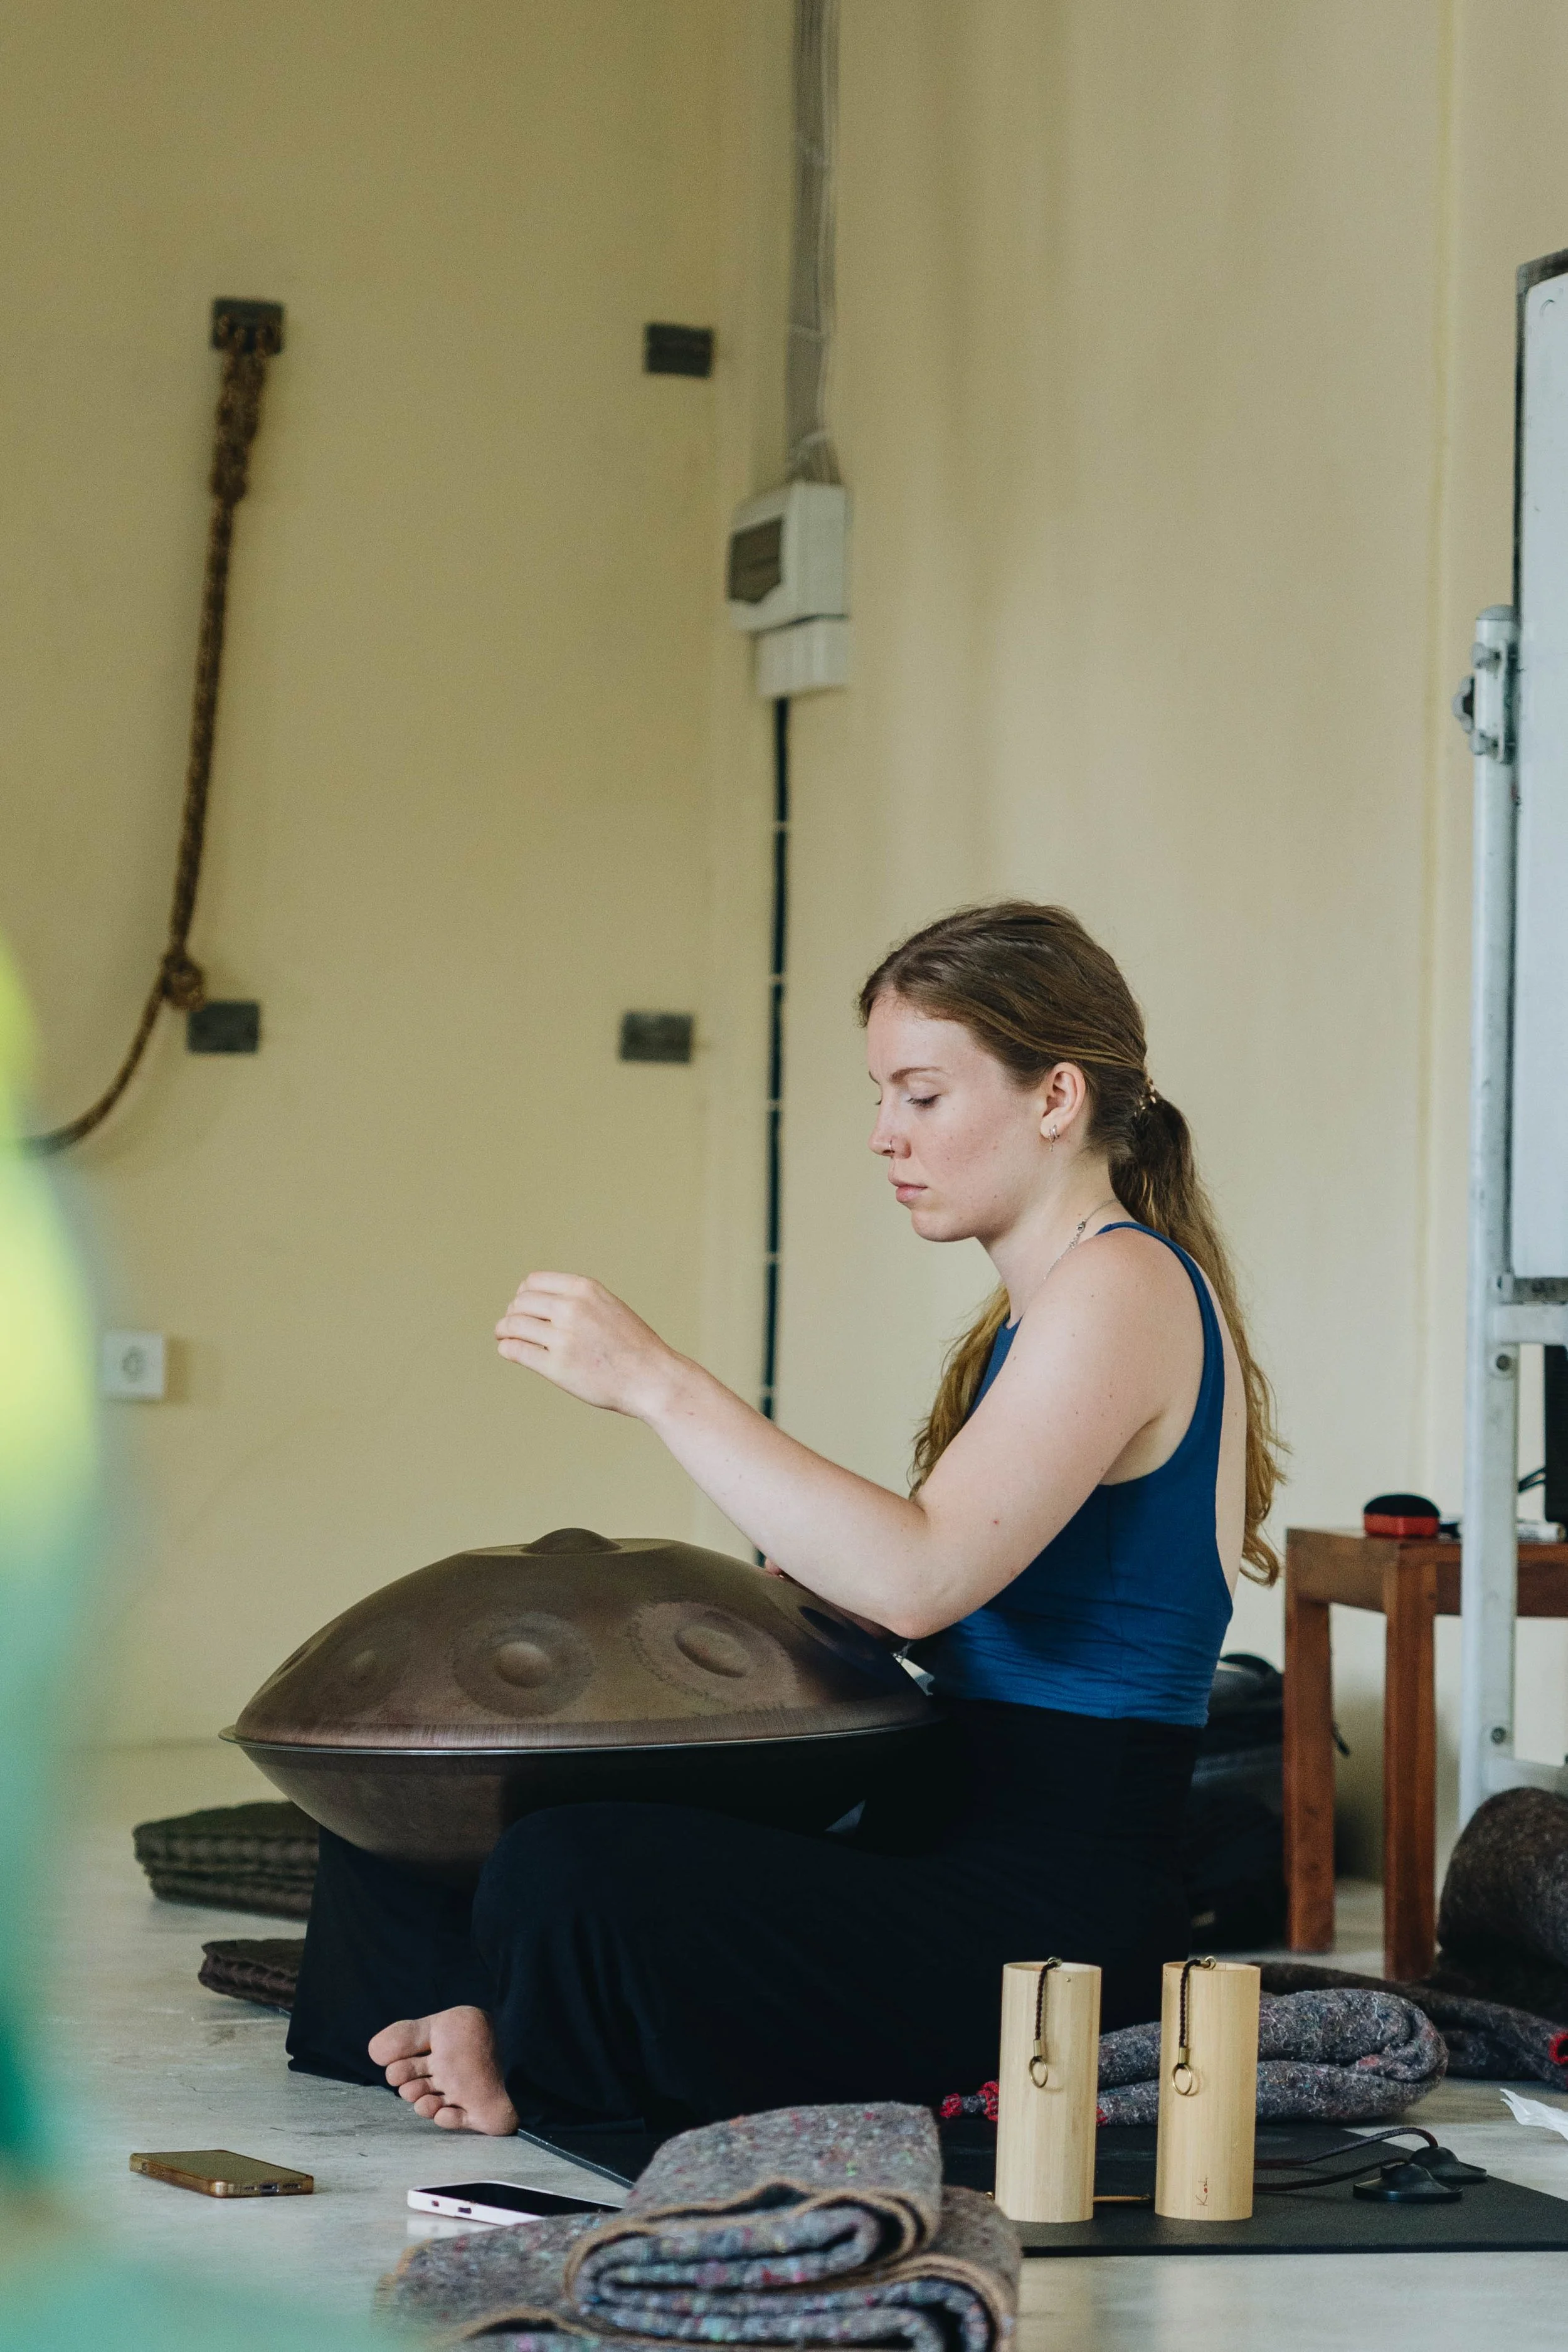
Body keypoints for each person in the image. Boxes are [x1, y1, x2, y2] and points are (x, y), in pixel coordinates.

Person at [287, 900, 1281, 2136]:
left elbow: (923, 1575)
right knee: (430, 1809)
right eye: (881, 1096)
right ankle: (499, 2020)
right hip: (934, 1818)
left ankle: (521, 2040)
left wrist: (657, 1382)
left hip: (1046, 1920)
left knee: (566, 1868)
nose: (883, 1133)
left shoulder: (1122, 1284)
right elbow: (933, 1592)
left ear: (1055, 1097)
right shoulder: (1034, 1313)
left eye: (921, 1094)